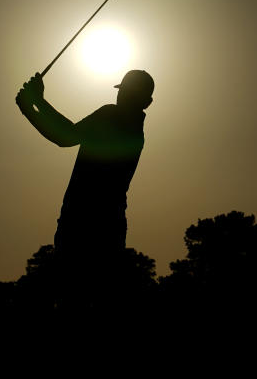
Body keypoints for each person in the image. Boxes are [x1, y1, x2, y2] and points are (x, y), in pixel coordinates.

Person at [15, 69, 154, 304]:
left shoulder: (111, 116)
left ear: (143, 101)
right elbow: (64, 137)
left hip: (81, 225)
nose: (121, 97)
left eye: (126, 93)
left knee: (74, 300)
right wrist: (31, 105)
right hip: (107, 226)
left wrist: (34, 103)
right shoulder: (135, 132)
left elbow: (66, 137)